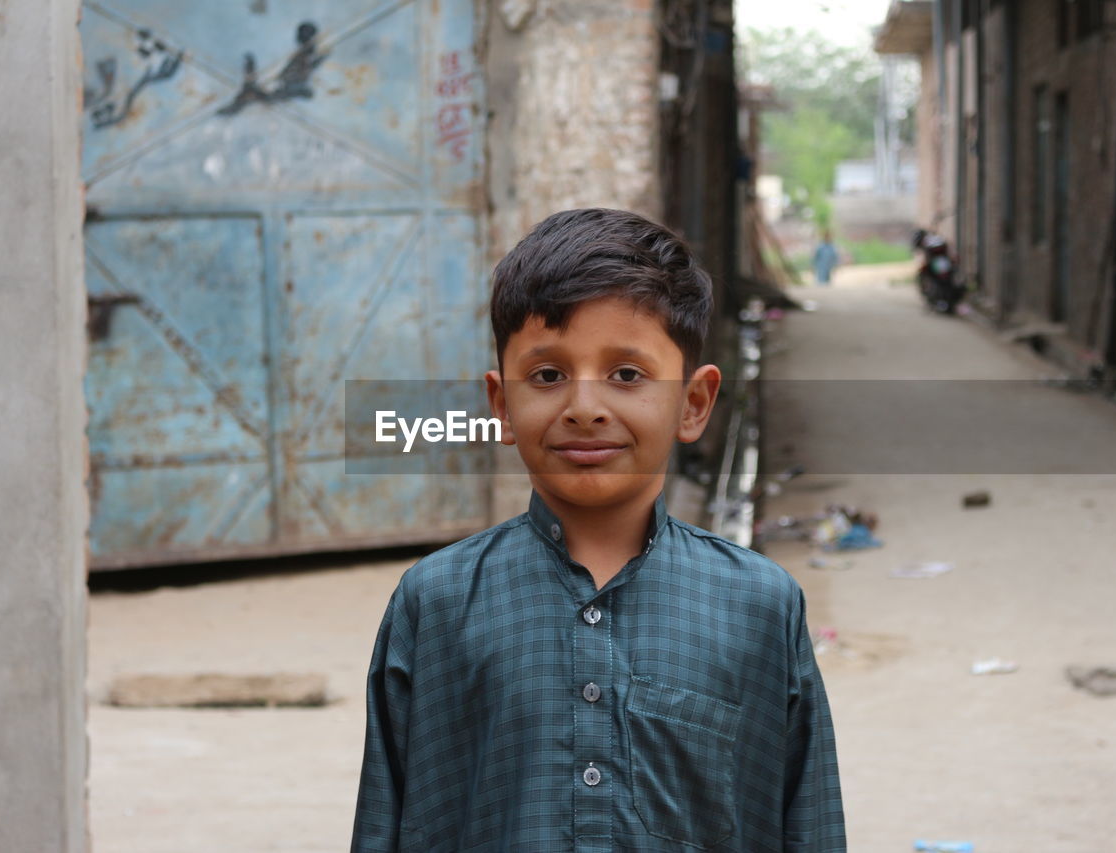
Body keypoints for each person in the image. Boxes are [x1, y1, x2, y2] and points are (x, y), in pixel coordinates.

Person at [351, 208, 845, 851]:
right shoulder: (436, 603)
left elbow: (808, 825)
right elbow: (386, 824)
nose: (585, 409)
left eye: (627, 375)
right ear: (501, 405)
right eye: (549, 375)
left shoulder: (758, 605)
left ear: (693, 403)